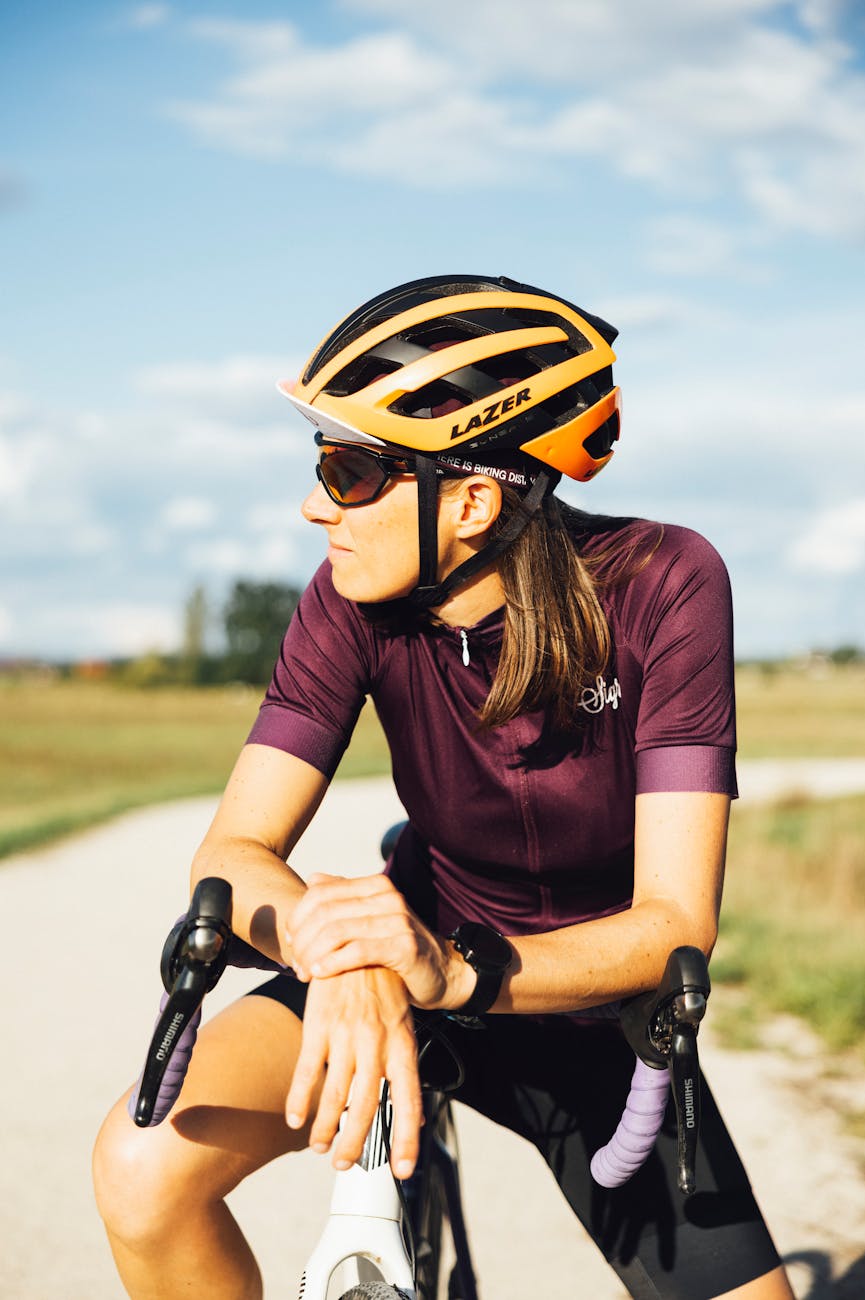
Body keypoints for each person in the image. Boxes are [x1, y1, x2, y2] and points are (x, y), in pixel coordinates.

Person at [93, 274, 795, 1300]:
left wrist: (446, 968)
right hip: (395, 972)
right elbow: (232, 858)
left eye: (351, 470)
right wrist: (345, 958)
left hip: (586, 1011)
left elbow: (675, 922)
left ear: (472, 500)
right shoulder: (348, 598)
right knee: (139, 1170)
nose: (313, 503)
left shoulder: (665, 582)